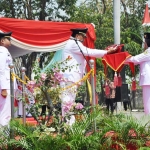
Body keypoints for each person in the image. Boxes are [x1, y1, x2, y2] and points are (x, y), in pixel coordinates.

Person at [60, 28, 117, 125]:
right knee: (67, 101)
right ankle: (68, 124)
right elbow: (88, 51)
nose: (84, 39)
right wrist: (106, 52)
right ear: (77, 36)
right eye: (82, 37)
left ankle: (67, 124)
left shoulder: (70, 43)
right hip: (70, 77)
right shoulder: (74, 43)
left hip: (70, 77)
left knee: (68, 101)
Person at [125, 32, 150, 114]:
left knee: (148, 105)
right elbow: (135, 62)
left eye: (144, 43)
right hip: (147, 81)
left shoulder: (148, 52)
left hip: (148, 82)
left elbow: (136, 59)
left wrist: (122, 57)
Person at [0, 31, 13, 126]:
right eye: (8, 39)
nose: (10, 40)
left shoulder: (4, 50)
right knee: (5, 113)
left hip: (5, 85)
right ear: (2, 41)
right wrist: (3, 88)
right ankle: (4, 137)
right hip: (5, 86)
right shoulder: (2, 50)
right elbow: (1, 70)